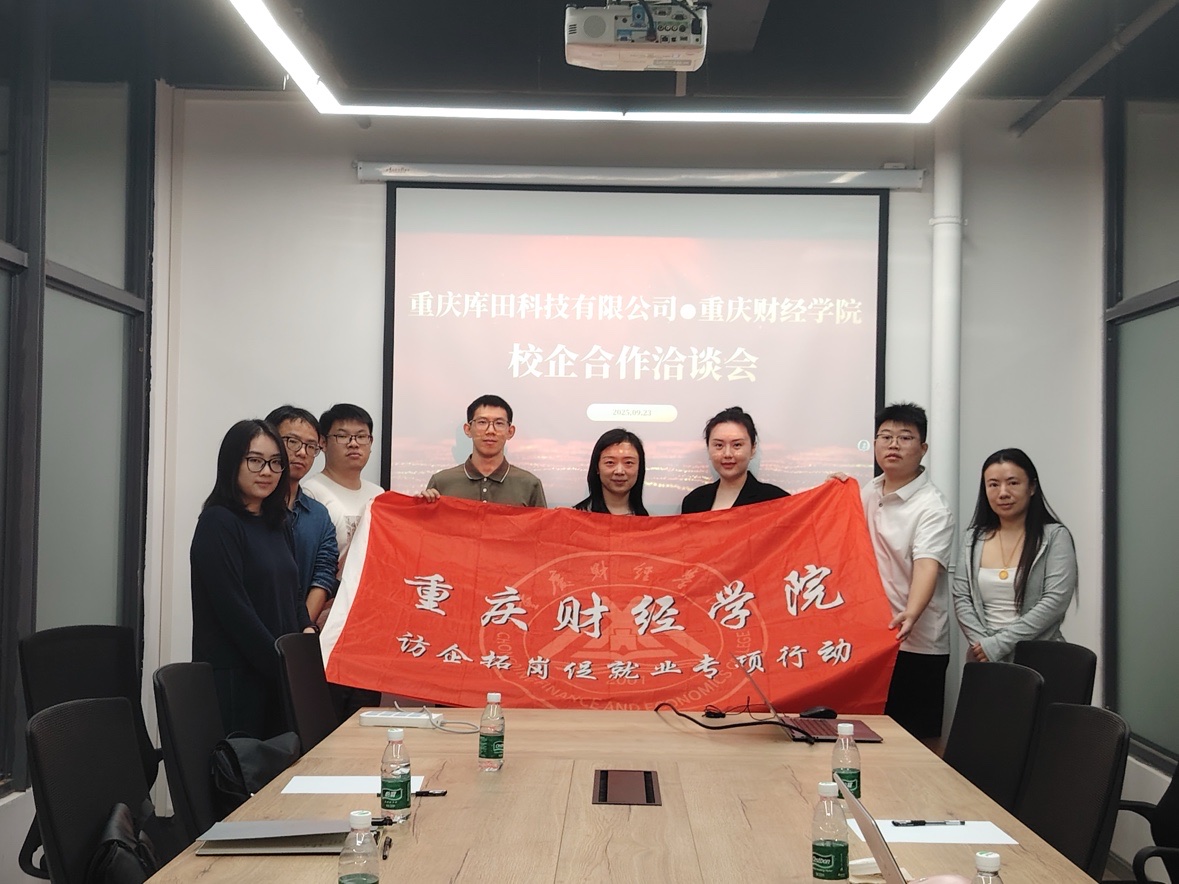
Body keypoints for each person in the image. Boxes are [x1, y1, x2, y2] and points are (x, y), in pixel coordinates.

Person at [190, 419, 315, 738]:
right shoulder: (218, 522)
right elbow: (234, 611)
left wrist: (306, 632)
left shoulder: (278, 522)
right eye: (255, 461)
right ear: (232, 463)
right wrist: (282, 664)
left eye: (275, 462)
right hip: (238, 679)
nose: (267, 471)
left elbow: (293, 593)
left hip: (278, 675)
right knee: (246, 767)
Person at [859, 402, 954, 743]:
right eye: (885, 436)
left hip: (916, 645)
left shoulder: (932, 506)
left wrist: (911, 613)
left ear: (923, 448)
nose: (893, 445)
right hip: (873, 640)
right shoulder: (869, 491)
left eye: (905, 437)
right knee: (870, 735)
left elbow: (927, 564)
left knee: (915, 744)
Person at [952, 448, 1077, 663]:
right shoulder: (972, 538)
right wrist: (984, 646)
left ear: (1032, 487)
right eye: (993, 485)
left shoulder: (1055, 536)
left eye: (1013, 483)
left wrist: (999, 645)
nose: (1003, 493)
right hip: (984, 659)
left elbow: (1054, 601)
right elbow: (962, 597)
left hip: (1039, 658)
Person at [265, 405, 339, 622]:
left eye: (311, 446)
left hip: (299, 632)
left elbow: (323, 575)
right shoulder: (249, 509)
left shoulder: (318, 515)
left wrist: (300, 629)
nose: (302, 452)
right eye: (292, 441)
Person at [421, 394, 547, 507]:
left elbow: (542, 526)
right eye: (482, 422)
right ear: (468, 429)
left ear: (510, 431)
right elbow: (425, 525)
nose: (490, 431)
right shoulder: (442, 482)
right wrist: (419, 507)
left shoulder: (529, 485)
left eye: (499, 423)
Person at [301, 403, 385, 563]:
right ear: (323, 442)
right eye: (342, 436)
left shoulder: (378, 494)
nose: (353, 443)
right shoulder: (311, 492)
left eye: (361, 436)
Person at [681, 406, 788, 513]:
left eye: (737, 445)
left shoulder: (777, 501)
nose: (727, 454)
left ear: (752, 449)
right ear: (708, 449)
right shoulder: (693, 501)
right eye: (719, 445)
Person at [573, 428, 649, 515]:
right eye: (610, 462)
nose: (619, 471)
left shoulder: (650, 521)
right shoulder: (574, 518)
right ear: (597, 467)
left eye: (628, 462)